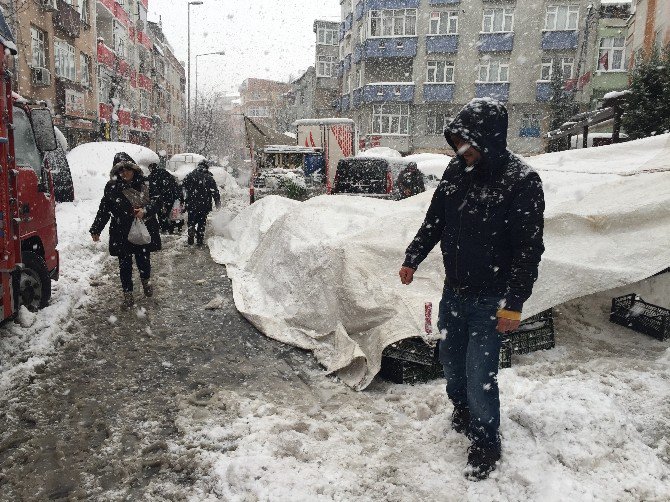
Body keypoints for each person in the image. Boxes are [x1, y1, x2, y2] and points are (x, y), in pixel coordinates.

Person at [398, 98, 545, 480]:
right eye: (457, 143)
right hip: (455, 291)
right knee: (451, 362)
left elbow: (528, 250)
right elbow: (435, 220)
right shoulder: (456, 171)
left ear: (489, 139)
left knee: (480, 372)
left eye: (468, 143)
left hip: (491, 299)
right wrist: (413, 257)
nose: (462, 151)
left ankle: (485, 440)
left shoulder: (521, 181)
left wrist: (513, 305)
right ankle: (461, 410)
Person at [90, 152, 162, 309]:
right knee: (124, 265)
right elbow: (104, 209)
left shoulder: (146, 184)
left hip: (142, 229)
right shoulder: (112, 187)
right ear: (116, 172)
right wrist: (96, 228)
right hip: (121, 232)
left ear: (134, 168)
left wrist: (145, 211)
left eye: (128, 169)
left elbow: (157, 201)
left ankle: (146, 282)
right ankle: (128, 295)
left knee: (143, 260)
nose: (125, 173)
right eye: (121, 170)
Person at [181, 159, 221, 246]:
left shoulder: (190, 175)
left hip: (191, 203)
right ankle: (199, 240)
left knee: (191, 220)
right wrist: (218, 204)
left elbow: (183, 188)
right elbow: (215, 192)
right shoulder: (209, 178)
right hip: (204, 204)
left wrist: (183, 201)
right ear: (206, 167)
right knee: (201, 222)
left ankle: (191, 234)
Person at [147, 162, 181, 234]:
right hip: (169, 197)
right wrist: (176, 195)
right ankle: (171, 227)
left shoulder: (151, 177)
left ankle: (164, 228)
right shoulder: (165, 173)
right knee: (170, 212)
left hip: (160, 198)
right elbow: (173, 184)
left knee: (161, 214)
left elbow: (151, 189)